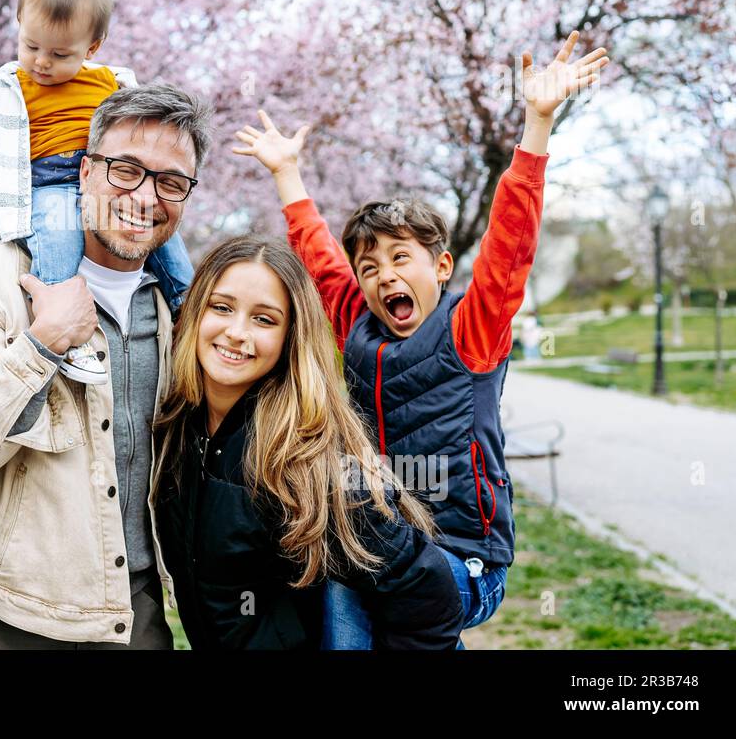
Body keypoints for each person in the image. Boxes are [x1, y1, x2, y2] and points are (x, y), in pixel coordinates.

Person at [233, 31, 608, 642]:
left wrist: (537, 124)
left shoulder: (471, 329)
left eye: (400, 258)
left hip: (464, 559)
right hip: (381, 544)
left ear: (439, 266)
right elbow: (323, 260)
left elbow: (510, 240)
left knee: (374, 598)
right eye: (372, 266)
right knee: (336, 583)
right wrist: (287, 174)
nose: (384, 276)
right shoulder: (356, 322)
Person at [0, 83, 212, 648]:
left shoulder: (183, 311)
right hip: (15, 621)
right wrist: (43, 343)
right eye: (125, 168)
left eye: (171, 181)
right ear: (83, 173)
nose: (146, 196)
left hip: (139, 614)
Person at [151, 236, 464, 649]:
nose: (236, 332)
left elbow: (426, 593)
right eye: (222, 307)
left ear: (289, 338)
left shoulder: (308, 456)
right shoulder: (178, 426)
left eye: (264, 320)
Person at [0, 0, 195, 384]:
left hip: (103, 179)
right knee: (61, 242)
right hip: (47, 180)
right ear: (18, 25)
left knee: (170, 248)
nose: (41, 62)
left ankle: (189, 312)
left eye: (59, 54)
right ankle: (66, 328)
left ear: (91, 49)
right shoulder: (9, 85)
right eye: (30, 46)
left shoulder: (112, 83)